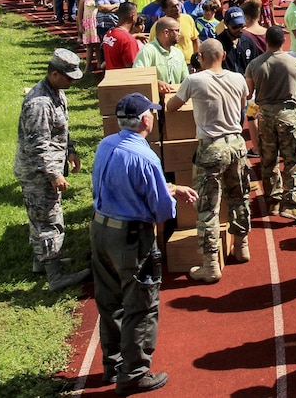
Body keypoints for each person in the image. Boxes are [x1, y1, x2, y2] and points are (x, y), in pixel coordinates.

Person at [91, 93, 198, 395]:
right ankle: (135, 373)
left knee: (109, 302)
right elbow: (162, 210)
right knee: (141, 305)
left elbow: (119, 183)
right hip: (131, 237)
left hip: (101, 229)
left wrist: (171, 187)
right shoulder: (145, 156)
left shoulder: (106, 144)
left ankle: (112, 366)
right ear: (146, 120)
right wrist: (170, 198)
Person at [167, 39, 250, 283]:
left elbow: (172, 107)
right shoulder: (238, 78)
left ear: (200, 57)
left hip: (211, 148)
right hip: (237, 144)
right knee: (239, 197)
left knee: (208, 207)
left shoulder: (194, 80)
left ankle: (210, 264)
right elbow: (243, 104)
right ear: (224, 55)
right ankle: (241, 246)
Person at [14, 48, 92, 292]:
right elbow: (37, 145)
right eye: (69, 77)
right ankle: (55, 275)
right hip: (38, 173)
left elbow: (61, 129)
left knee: (41, 218)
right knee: (49, 220)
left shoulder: (56, 93)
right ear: (55, 74)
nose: (73, 82)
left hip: (48, 166)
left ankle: (43, 261)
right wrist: (54, 174)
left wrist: (70, 151)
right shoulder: (39, 103)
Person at [244, 26, 296, 220]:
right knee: (294, 159)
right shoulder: (295, 63)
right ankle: (290, 203)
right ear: (283, 42)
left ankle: (274, 201)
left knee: (268, 159)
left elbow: (249, 94)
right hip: (287, 114)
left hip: (264, 116)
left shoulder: (254, 65)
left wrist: (253, 114)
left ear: (266, 41)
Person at [134, 16, 188, 97]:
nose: (179, 34)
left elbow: (185, 80)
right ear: (166, 33)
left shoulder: (178, 53)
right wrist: (156, 83)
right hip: (153, 104)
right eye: (176, 31)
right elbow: (137, 75)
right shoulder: (147, 51)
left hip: (175, 103)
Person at [102, 2, 141, 70]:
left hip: (111, 77)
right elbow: (132, 68)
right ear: (133, 16)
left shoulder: (109, 33)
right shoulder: (128, 40)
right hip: (123, 79)